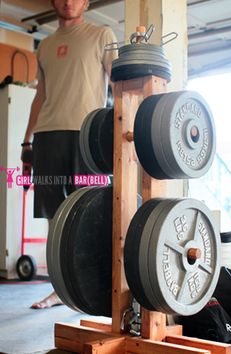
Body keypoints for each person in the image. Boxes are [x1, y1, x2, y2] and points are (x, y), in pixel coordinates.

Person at [21, 0, 117, 309]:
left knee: (91, 210)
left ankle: (89, 288)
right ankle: (59, 290)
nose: (68, 1)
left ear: (86, 2)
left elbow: (117, 82)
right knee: (54, 216)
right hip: (48, 135)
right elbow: (41, 96)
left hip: (88, 133)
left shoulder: (102, 35)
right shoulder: (46, 45)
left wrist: (124, 125)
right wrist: (27, 141)